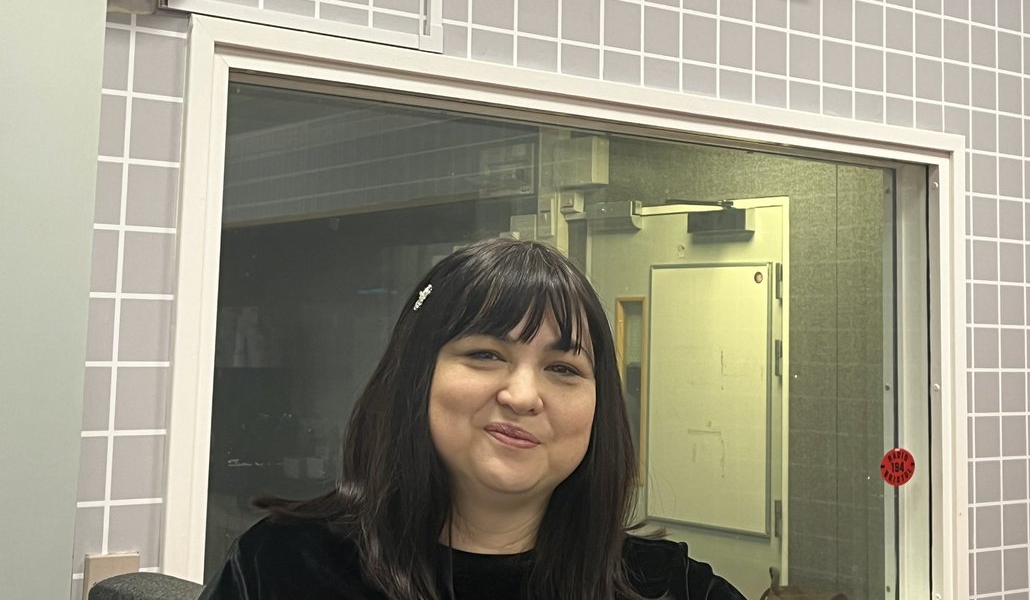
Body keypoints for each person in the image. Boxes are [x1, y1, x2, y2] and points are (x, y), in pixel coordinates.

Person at [200, 237, 746, 600]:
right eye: (486, 355)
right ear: (416, 376)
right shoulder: (282, 566)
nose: (524, 395)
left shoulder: (666, 586)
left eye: (563, 368)